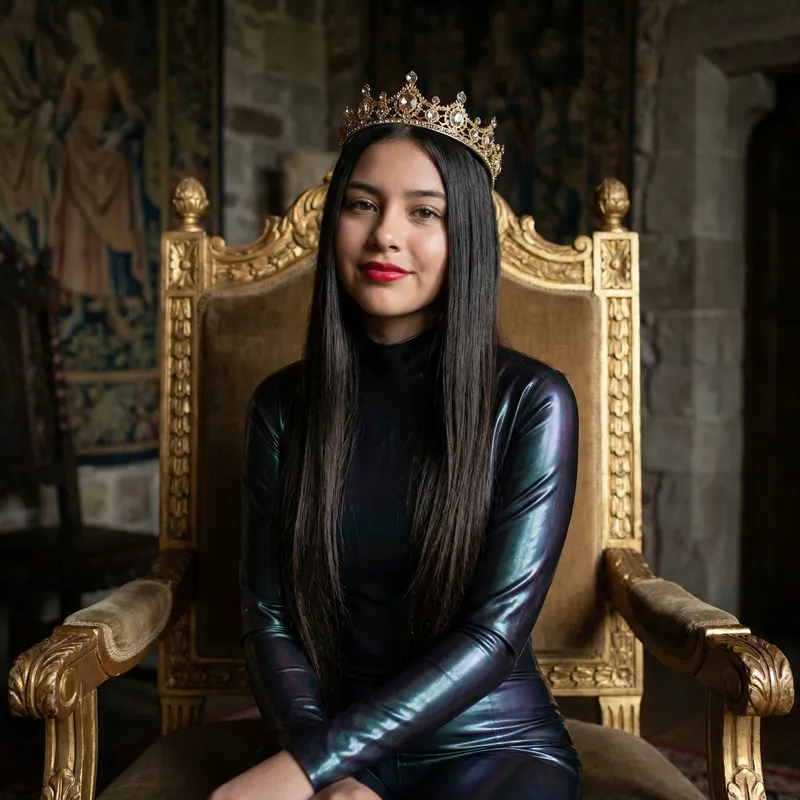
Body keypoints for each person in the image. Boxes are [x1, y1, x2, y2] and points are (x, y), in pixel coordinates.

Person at [214, 72, 581, 800]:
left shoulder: (533, 402)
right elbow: (269, 615)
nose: (385, 234)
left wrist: (307, 769)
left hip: (492, 744)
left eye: (425, 213)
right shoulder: (282, 406)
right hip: (324, 730)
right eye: (361, 205)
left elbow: (493, 635)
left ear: (465, 237)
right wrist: (332, 769)